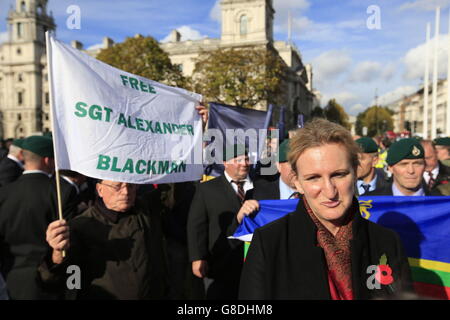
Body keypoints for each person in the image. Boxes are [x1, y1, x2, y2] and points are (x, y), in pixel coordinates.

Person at [239, 118, 413, 300]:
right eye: (314, 178)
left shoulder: (387, 242)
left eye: (339, 175)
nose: (330, 192)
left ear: (355, 172)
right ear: (297, 182)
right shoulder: (269, 243)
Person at [40, 179, 169, 299]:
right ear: (100, 189)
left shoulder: (147, 211)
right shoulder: (80, 226)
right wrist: (57, 253)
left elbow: (173, 191)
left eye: (130, 185)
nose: (126, 192)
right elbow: (64, 281)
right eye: (117, 186)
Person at [0, 135, 77, 299]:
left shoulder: (4, 193)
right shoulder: (61, 192)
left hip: (10, 279)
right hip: (48, 278)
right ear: (48, 160)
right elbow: (70, 239)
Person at [187, 144, 253, 299]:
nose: (244, 163)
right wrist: (198, 257)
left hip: (251, 263)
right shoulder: (207, 189)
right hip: (220, 263)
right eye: (237, 159)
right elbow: (196, 225)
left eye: (246, 158)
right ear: (225, 163)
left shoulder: (259, 187)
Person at [366, 138, 441, 196]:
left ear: (424, 166)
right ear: (390, 168)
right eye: (404, 164)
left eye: (417, 164)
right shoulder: (370, 203)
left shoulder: (442, 203)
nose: (411, 171)